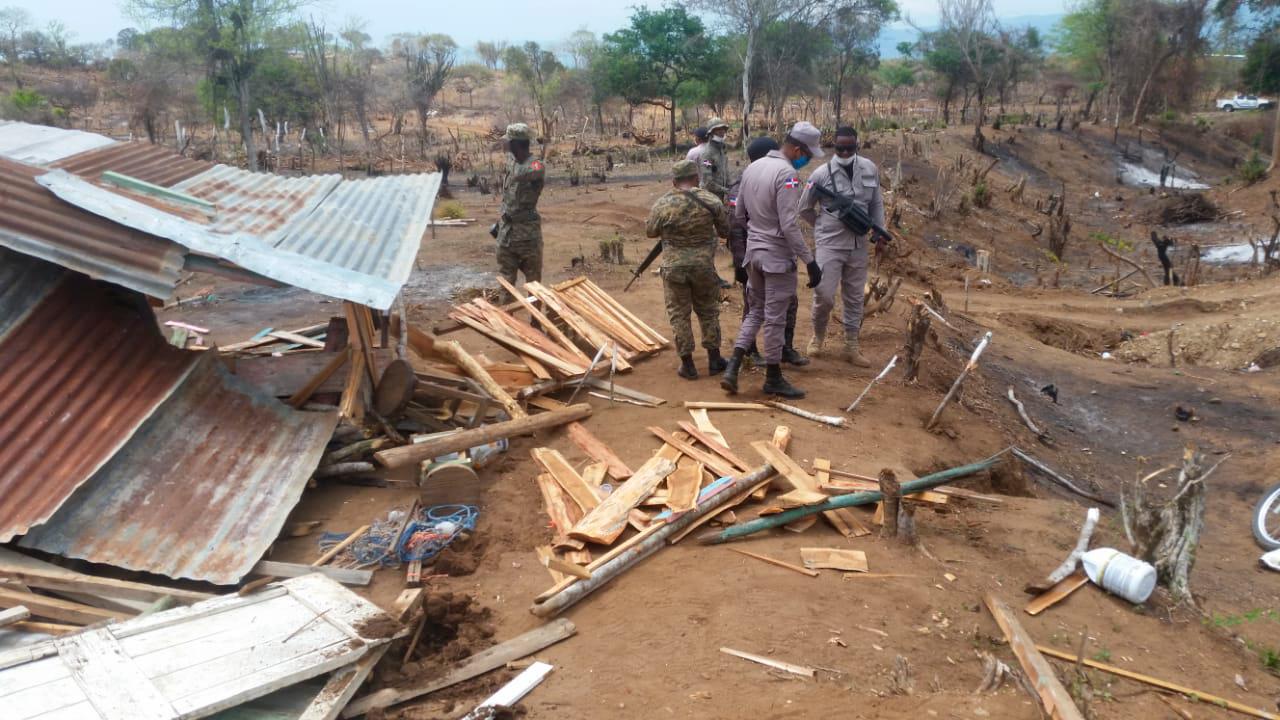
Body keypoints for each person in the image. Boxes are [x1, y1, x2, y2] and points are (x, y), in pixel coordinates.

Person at [721, 121, 824, 399]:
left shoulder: (752, 169)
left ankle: (732, 368)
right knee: (776, 319)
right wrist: (810, 261)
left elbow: (738, 216)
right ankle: (773, 377)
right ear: (797, 148)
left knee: (756, 311)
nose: (807, 159)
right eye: (808, 154)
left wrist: (758, 233)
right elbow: (789, 225)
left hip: (753, 254)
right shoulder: (787, 174)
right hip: (777, 258)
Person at [797, 126, 883, 368]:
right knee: (824, 295)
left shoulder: (869, 169)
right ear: (833, 146)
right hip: (830, 244)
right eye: (840, 147)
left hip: (858, 243)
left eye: (850, 147)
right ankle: (818, 337)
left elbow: (876, 203)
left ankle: (851, 345)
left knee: (855, 297)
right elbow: (804, 208)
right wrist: (822, 226)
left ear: (858, 145)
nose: (845, 152)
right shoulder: (820, 174)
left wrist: (879, 231)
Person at [645, 160, 731, 379]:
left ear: (674, 181)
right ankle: (714, 360)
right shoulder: (711, 200)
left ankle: (688, 365)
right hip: (703, 267)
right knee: (708, 311)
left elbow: (651, 232)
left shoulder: (663, 203)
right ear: (696, 178)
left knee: (679, 315)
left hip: (674, 268)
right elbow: (724, 231)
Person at [728, 137, 806, 366]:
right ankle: (750, 351)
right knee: (755, 306)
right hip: (754, 254)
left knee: (788, 303)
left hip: (775, 254)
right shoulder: (742, 183)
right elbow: (736, 226)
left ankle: (785, 348)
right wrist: (740, 261)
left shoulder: (775, 176)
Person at [494, 123, 545, 301]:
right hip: (506, 235)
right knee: (505, 285)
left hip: (527, 238)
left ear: (516, 144)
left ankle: (536, 323)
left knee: (534, 286)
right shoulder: (512, 161)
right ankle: (506, 324)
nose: (504, 144)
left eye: (508, 141)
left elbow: (524, 174)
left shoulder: (536, 165)